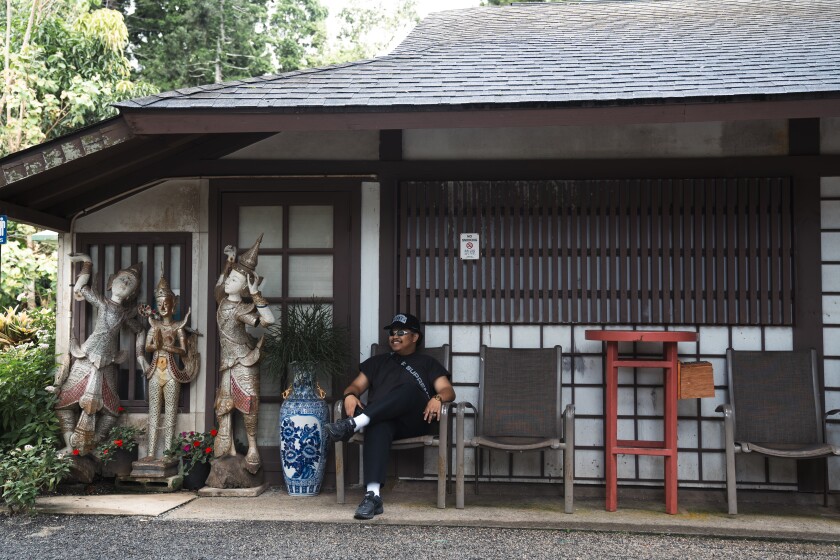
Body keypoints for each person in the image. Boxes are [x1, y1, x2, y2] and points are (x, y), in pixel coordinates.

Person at [324, 313, 455, 520]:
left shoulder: (427, 362)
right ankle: (372, 496)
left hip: (415, 421)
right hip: (383, 421)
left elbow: (448, 390)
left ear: (415, 337)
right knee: (378, 422)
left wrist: (437, 398)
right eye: (392, 333)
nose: (395, 336)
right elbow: (356, 386)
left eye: (401, 332)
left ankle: (353, 424)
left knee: (409, 390)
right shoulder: (377, 362)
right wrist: (349, 395)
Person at [50, 254, 146, 455]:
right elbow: (80, 289)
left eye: (130, 283)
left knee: (111, 411)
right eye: (122, 278)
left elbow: (140, 330)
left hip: (109, 361)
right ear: (111, 282)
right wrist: (87, 263)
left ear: (132, 293)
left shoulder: (126, 313)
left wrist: (140, 356)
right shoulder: (102, 302)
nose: (125, 282)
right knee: (63, 403)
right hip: (87, 355)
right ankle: (69, 445)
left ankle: (94, 444)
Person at [213, 234, 275, 475]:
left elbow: (268, 320)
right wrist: (229, 262)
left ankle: (252, 449)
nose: (229, 282)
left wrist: (256, 293)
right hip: (227, 363)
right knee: (223, 405)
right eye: (230, 278)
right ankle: (227, 449)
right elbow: (218, 287)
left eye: (235, 280)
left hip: (244, 360)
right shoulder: (222, 301)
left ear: (245, 285)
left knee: (249, 406)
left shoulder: (241, 308)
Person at [138, 273, 199, 462]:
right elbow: (148, 347)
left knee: (171, 411)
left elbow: (183, 350)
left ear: (173, 304)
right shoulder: (153, 325)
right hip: (156, 370)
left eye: (167, 303)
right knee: (154, 412)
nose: (163, 307)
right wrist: (156, 344)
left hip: (172, 371)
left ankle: (167, 453)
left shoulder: (178, 327)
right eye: (160, 303)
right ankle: (150, 453)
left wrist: (165, 346)